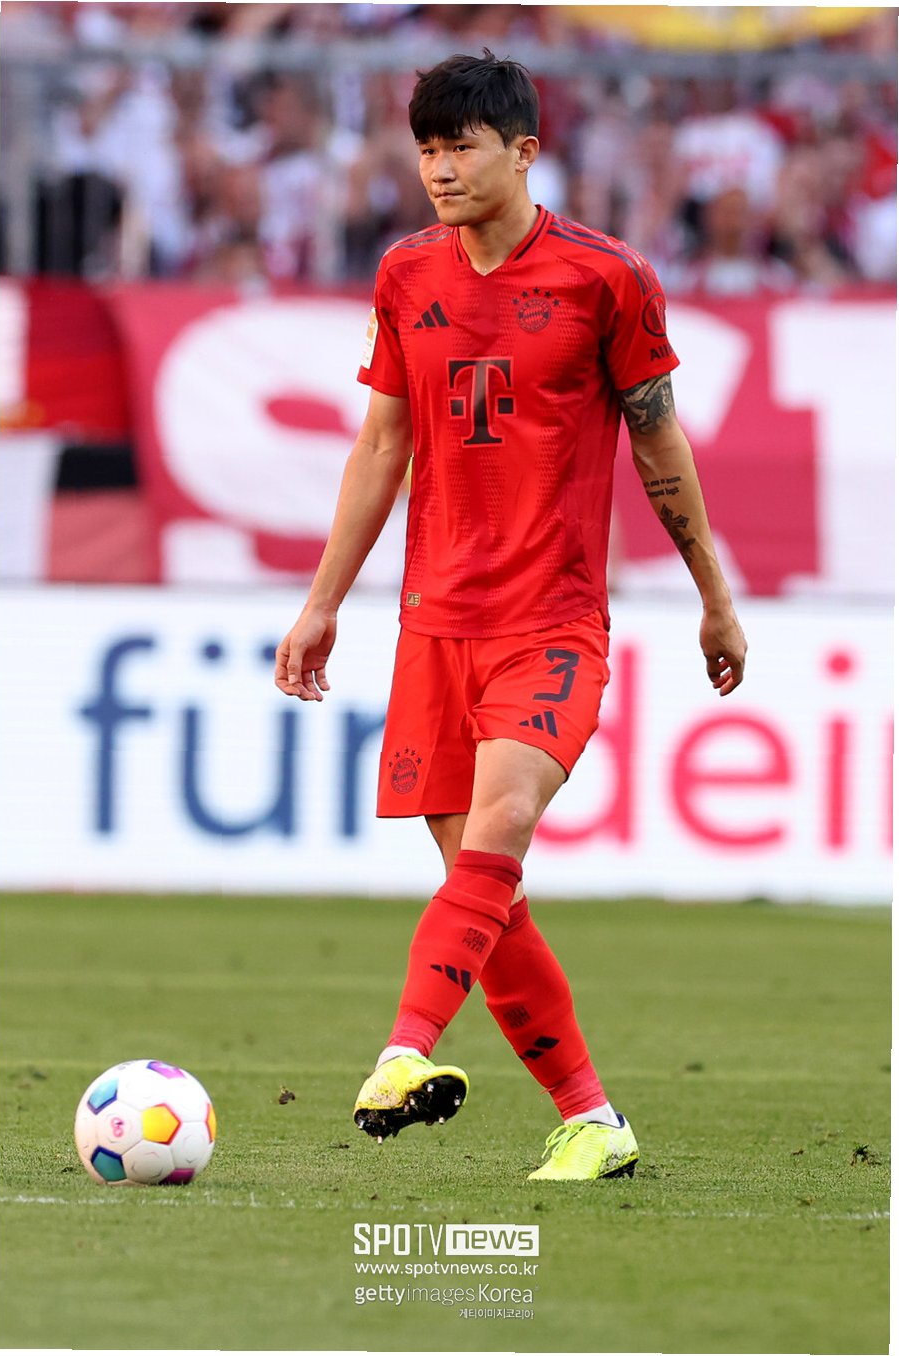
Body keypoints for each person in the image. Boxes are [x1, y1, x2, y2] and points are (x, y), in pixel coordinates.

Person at [275, 51, 746, 1182]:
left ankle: (403, 1050)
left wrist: (713, 596)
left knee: (496, 832)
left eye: (462, 147)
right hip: (434, 625)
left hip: (551, 622)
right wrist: (322, 602)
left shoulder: (606, 278)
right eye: (426, 149)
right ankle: (593, 1120)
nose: (439, 169)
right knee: (483, 895)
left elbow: (657, 439)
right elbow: (382, 444)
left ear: (523, 151)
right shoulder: (404, 274)